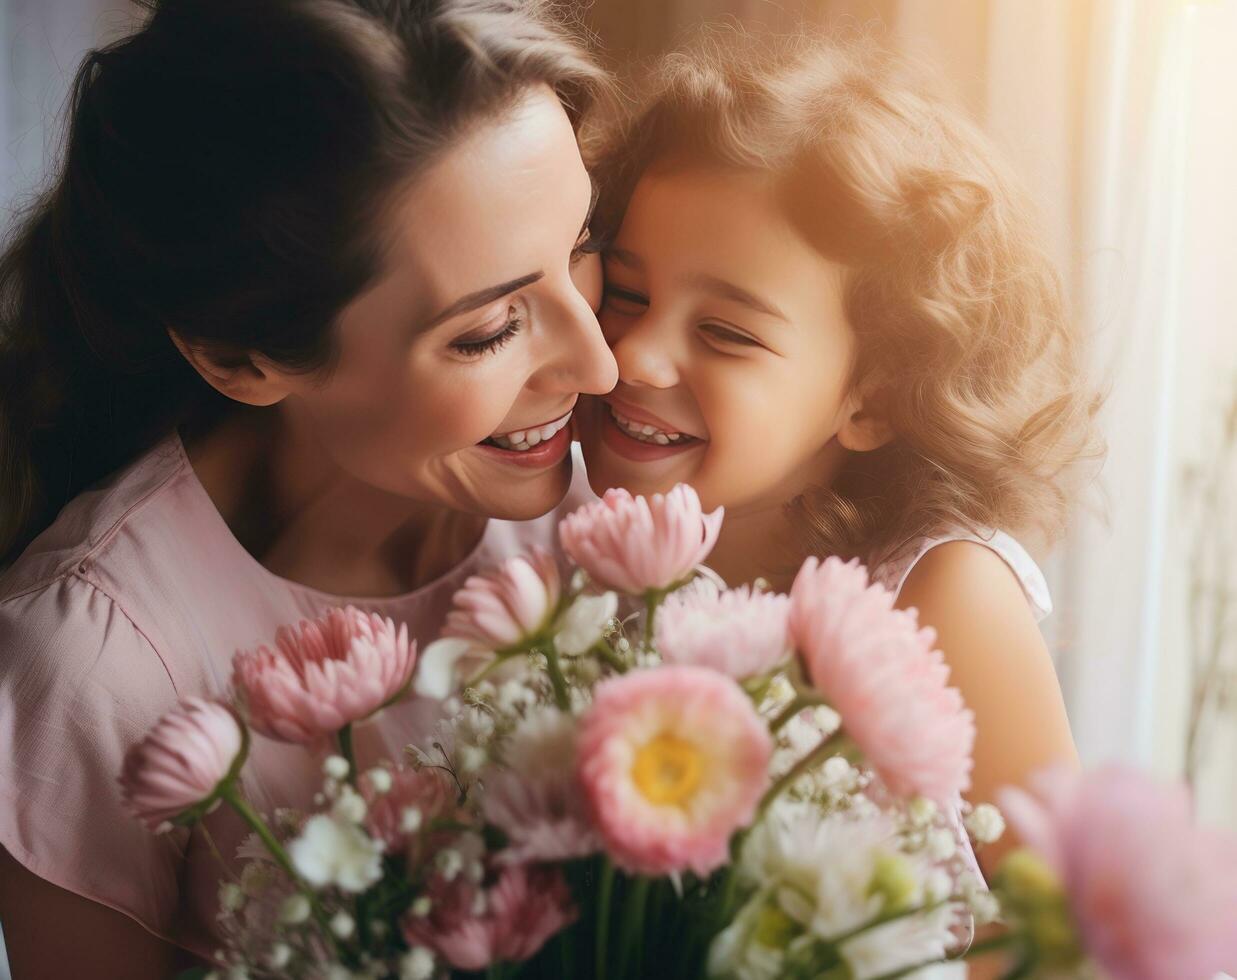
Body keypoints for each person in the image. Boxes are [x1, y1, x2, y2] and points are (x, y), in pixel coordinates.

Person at [0, 0, 617, 974]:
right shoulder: (99, 667)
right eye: (489, 329)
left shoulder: (613, 512)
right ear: (241, 360)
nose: (600, 365)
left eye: (586, 247)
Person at [576, 32, 1103, 871]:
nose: (634, 355)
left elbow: (1055, 936)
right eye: (627, 293)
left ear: (876, 396)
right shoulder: (562, 555)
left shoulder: (944, 596)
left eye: (723, 332)